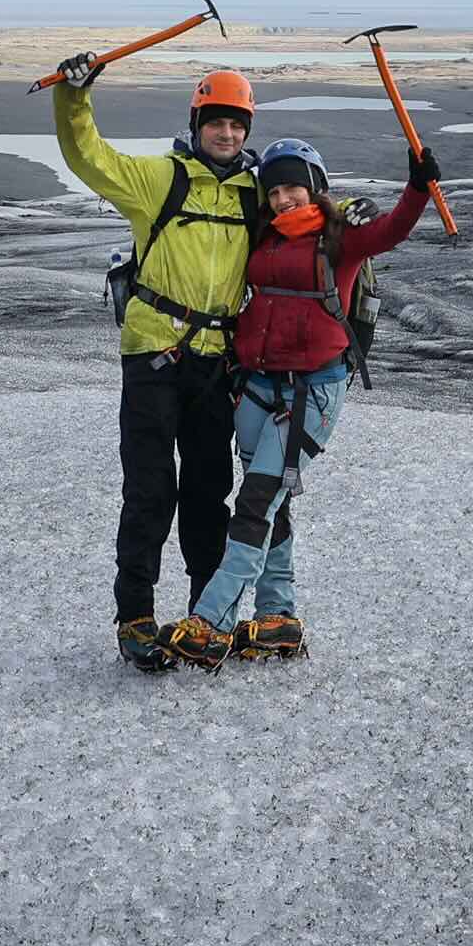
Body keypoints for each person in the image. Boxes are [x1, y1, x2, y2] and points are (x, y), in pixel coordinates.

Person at [158, 132, 437, 669]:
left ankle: (212, 621)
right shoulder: (264, 235)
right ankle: (278, 618)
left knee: (258, 501)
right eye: (276, 190)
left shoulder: (341, 239)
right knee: (270, 503)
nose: (284, 198)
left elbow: (392, 230)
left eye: (294, 188)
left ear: (314, 188)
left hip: (312, 392)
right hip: (257, 388)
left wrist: (417, 188)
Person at [50, 54, 261, 672]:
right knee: (149, 489)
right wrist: (73, 97)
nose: (227, 134)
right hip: (154, 353)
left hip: (217, 361)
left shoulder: (255, 194)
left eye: (237, 125)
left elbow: (307, 202)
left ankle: (206, 615)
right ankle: (135, 619)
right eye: (216, 122)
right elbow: (90, 157)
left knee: (207, 491)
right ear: (197, 123)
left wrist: (361, 208)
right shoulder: (160, 180)